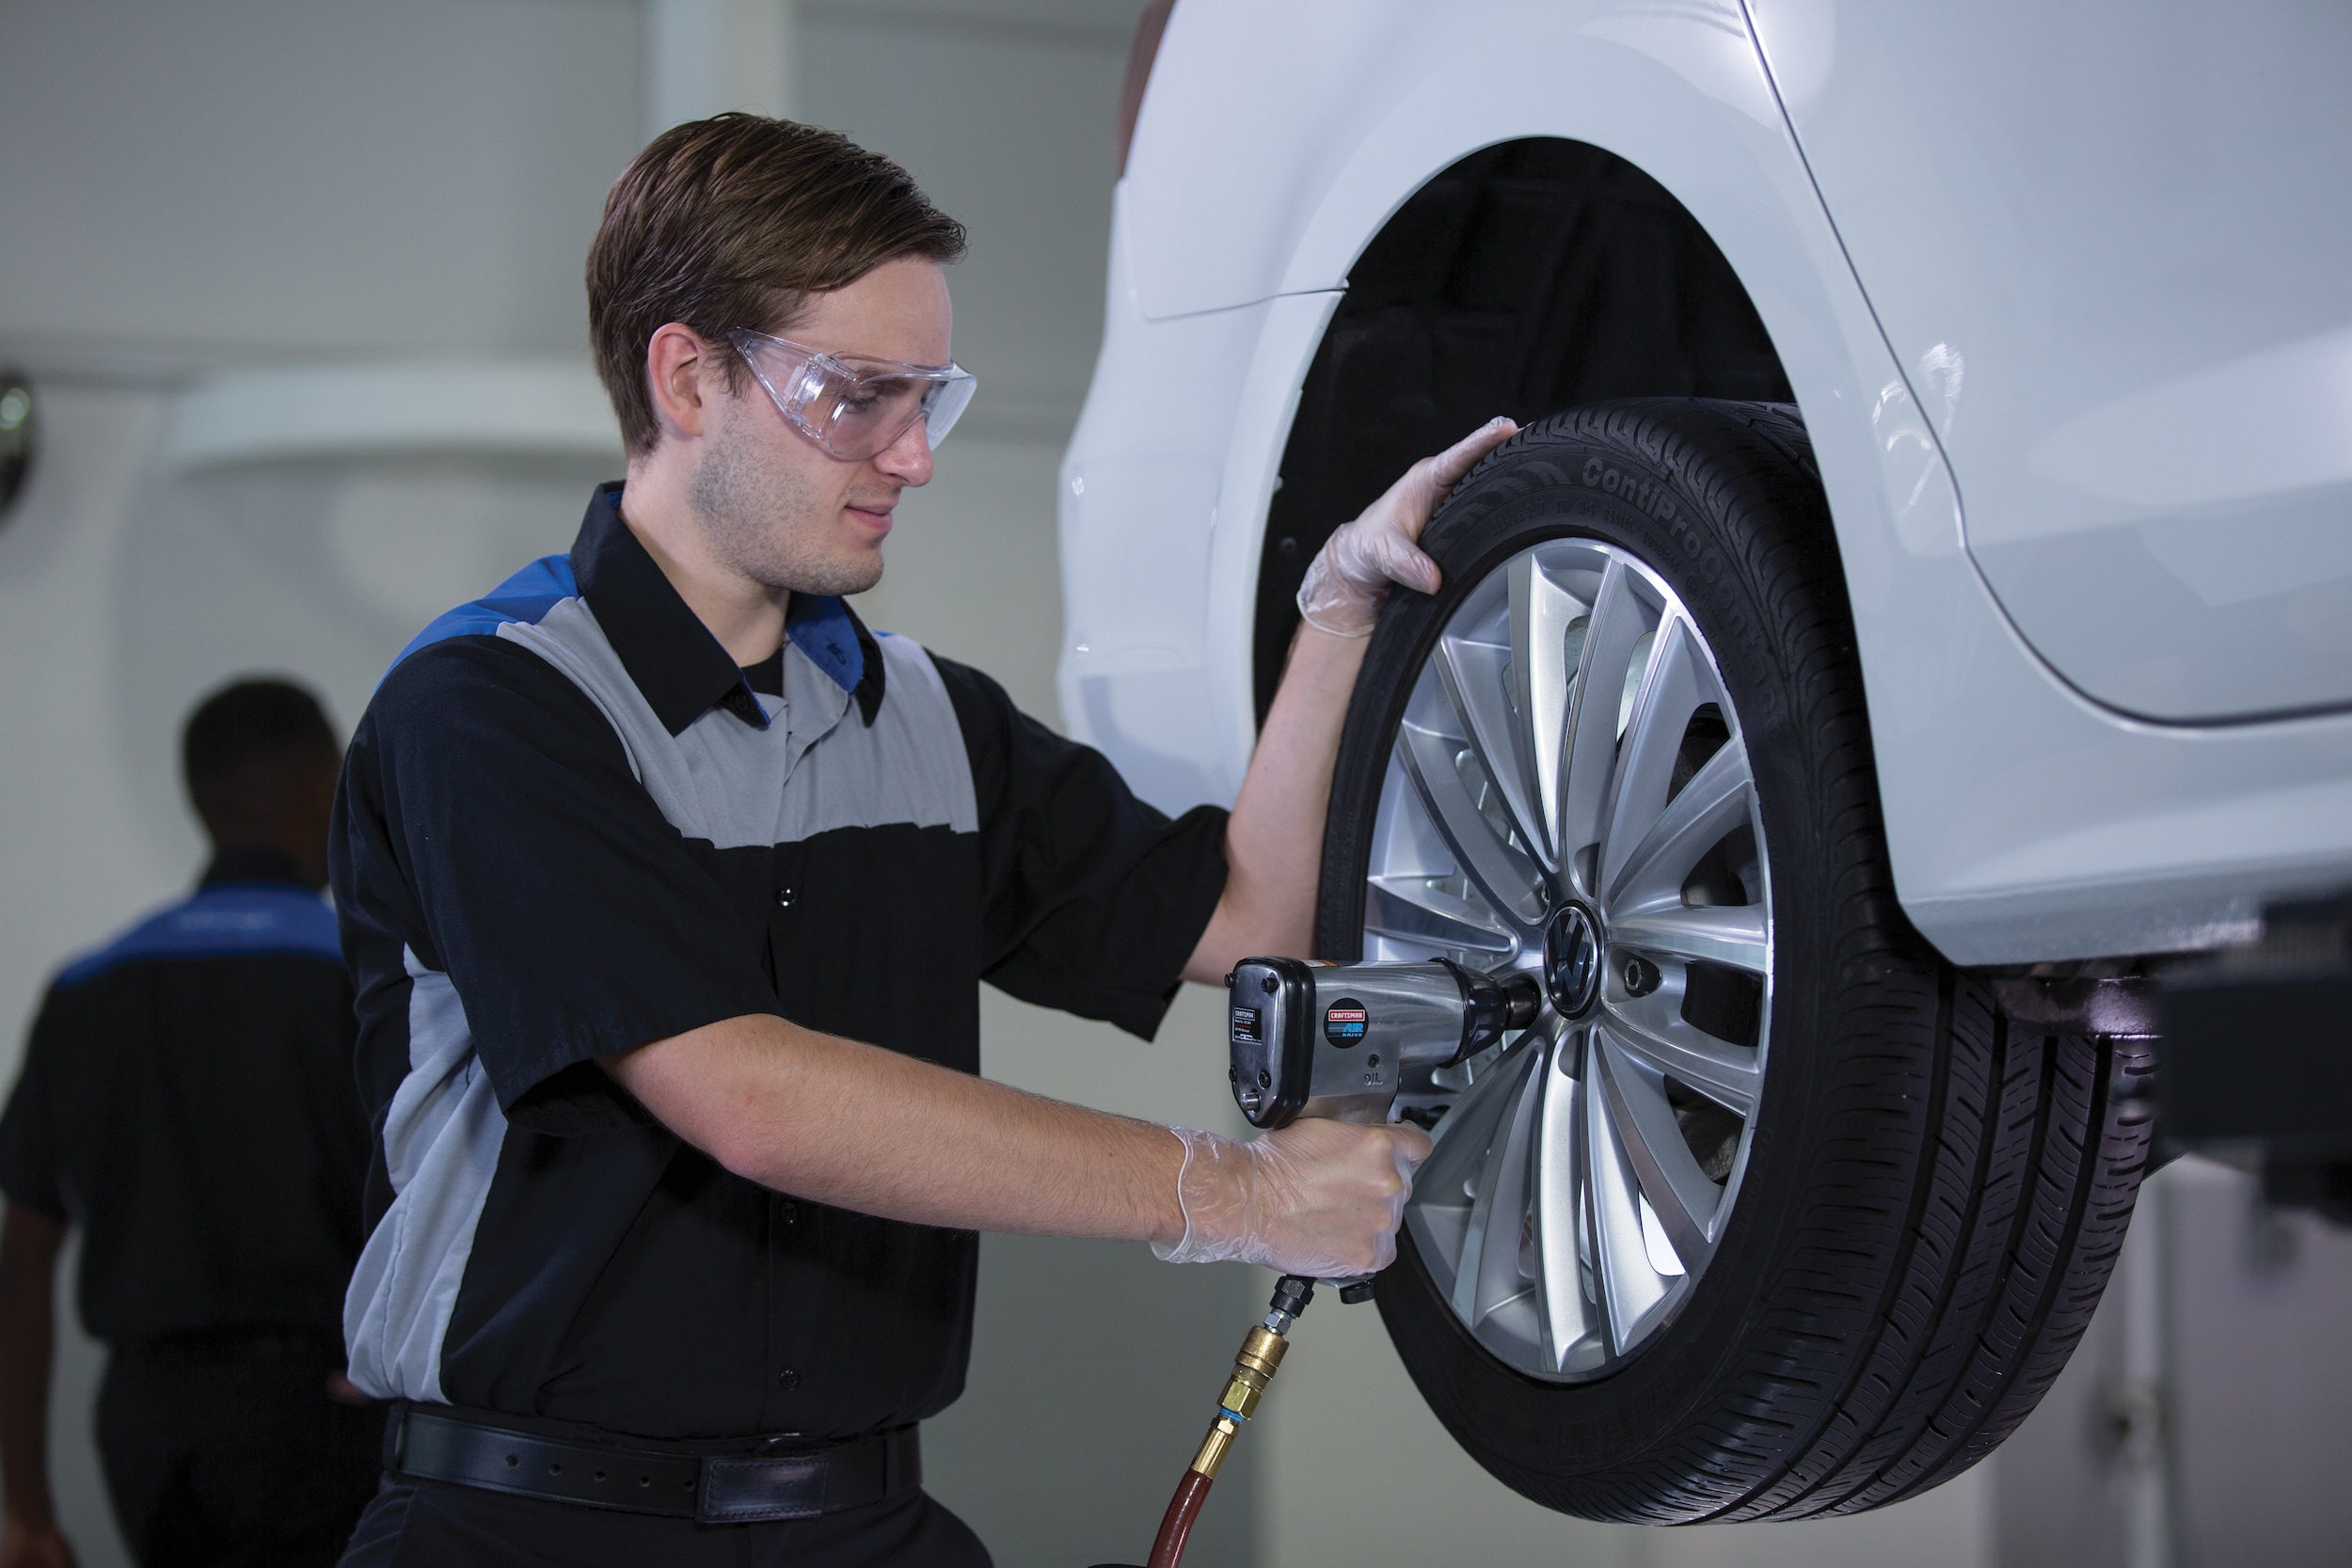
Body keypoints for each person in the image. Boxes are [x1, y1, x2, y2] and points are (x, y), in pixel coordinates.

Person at [330, 115, 1517, 1568]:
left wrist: (1334, 618)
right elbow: (744, 1089)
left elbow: (1251, 915)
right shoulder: (494, 706)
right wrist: (1237, 1191)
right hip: (525, 1526)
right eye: (858, 395)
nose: (914, 454)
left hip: (863, 1517)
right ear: (687, 375)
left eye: (930, 398)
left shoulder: (929, 722)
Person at [0, 680, 382, 1568]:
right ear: (324, 789)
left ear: (201, 799)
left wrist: (25, 1509)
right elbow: (437, 1212)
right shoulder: (360, 981)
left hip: (147, 1425)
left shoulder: (85, 990)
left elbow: (22, 1260)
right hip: (322, 1412)